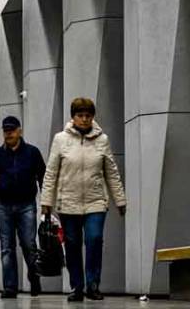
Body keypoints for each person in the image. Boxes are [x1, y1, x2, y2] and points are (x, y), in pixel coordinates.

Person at [41, 98, 126, 302]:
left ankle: (93, 284)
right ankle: (77, 286)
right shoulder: (60, 139)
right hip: (68, 202)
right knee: (72, 244)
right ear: (73, 117)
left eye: (88, 115)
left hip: (96, 201)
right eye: (80, 115)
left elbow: (111, 172)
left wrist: (120, 199)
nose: (84, 119)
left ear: (93, 116)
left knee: (94, 239)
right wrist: (46, 202)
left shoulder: (102, 140)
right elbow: (51, 172)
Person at [0, 115, 47, 298]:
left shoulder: (32, 152)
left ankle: (34, 275)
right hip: (4, 206)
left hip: (26, 205)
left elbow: (43, 177)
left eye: (12, 130)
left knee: (29, 244)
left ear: (19, 131)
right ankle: (10, 287)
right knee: (7, 247)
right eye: (6, 131)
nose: (9, 134)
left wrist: (46, 202)